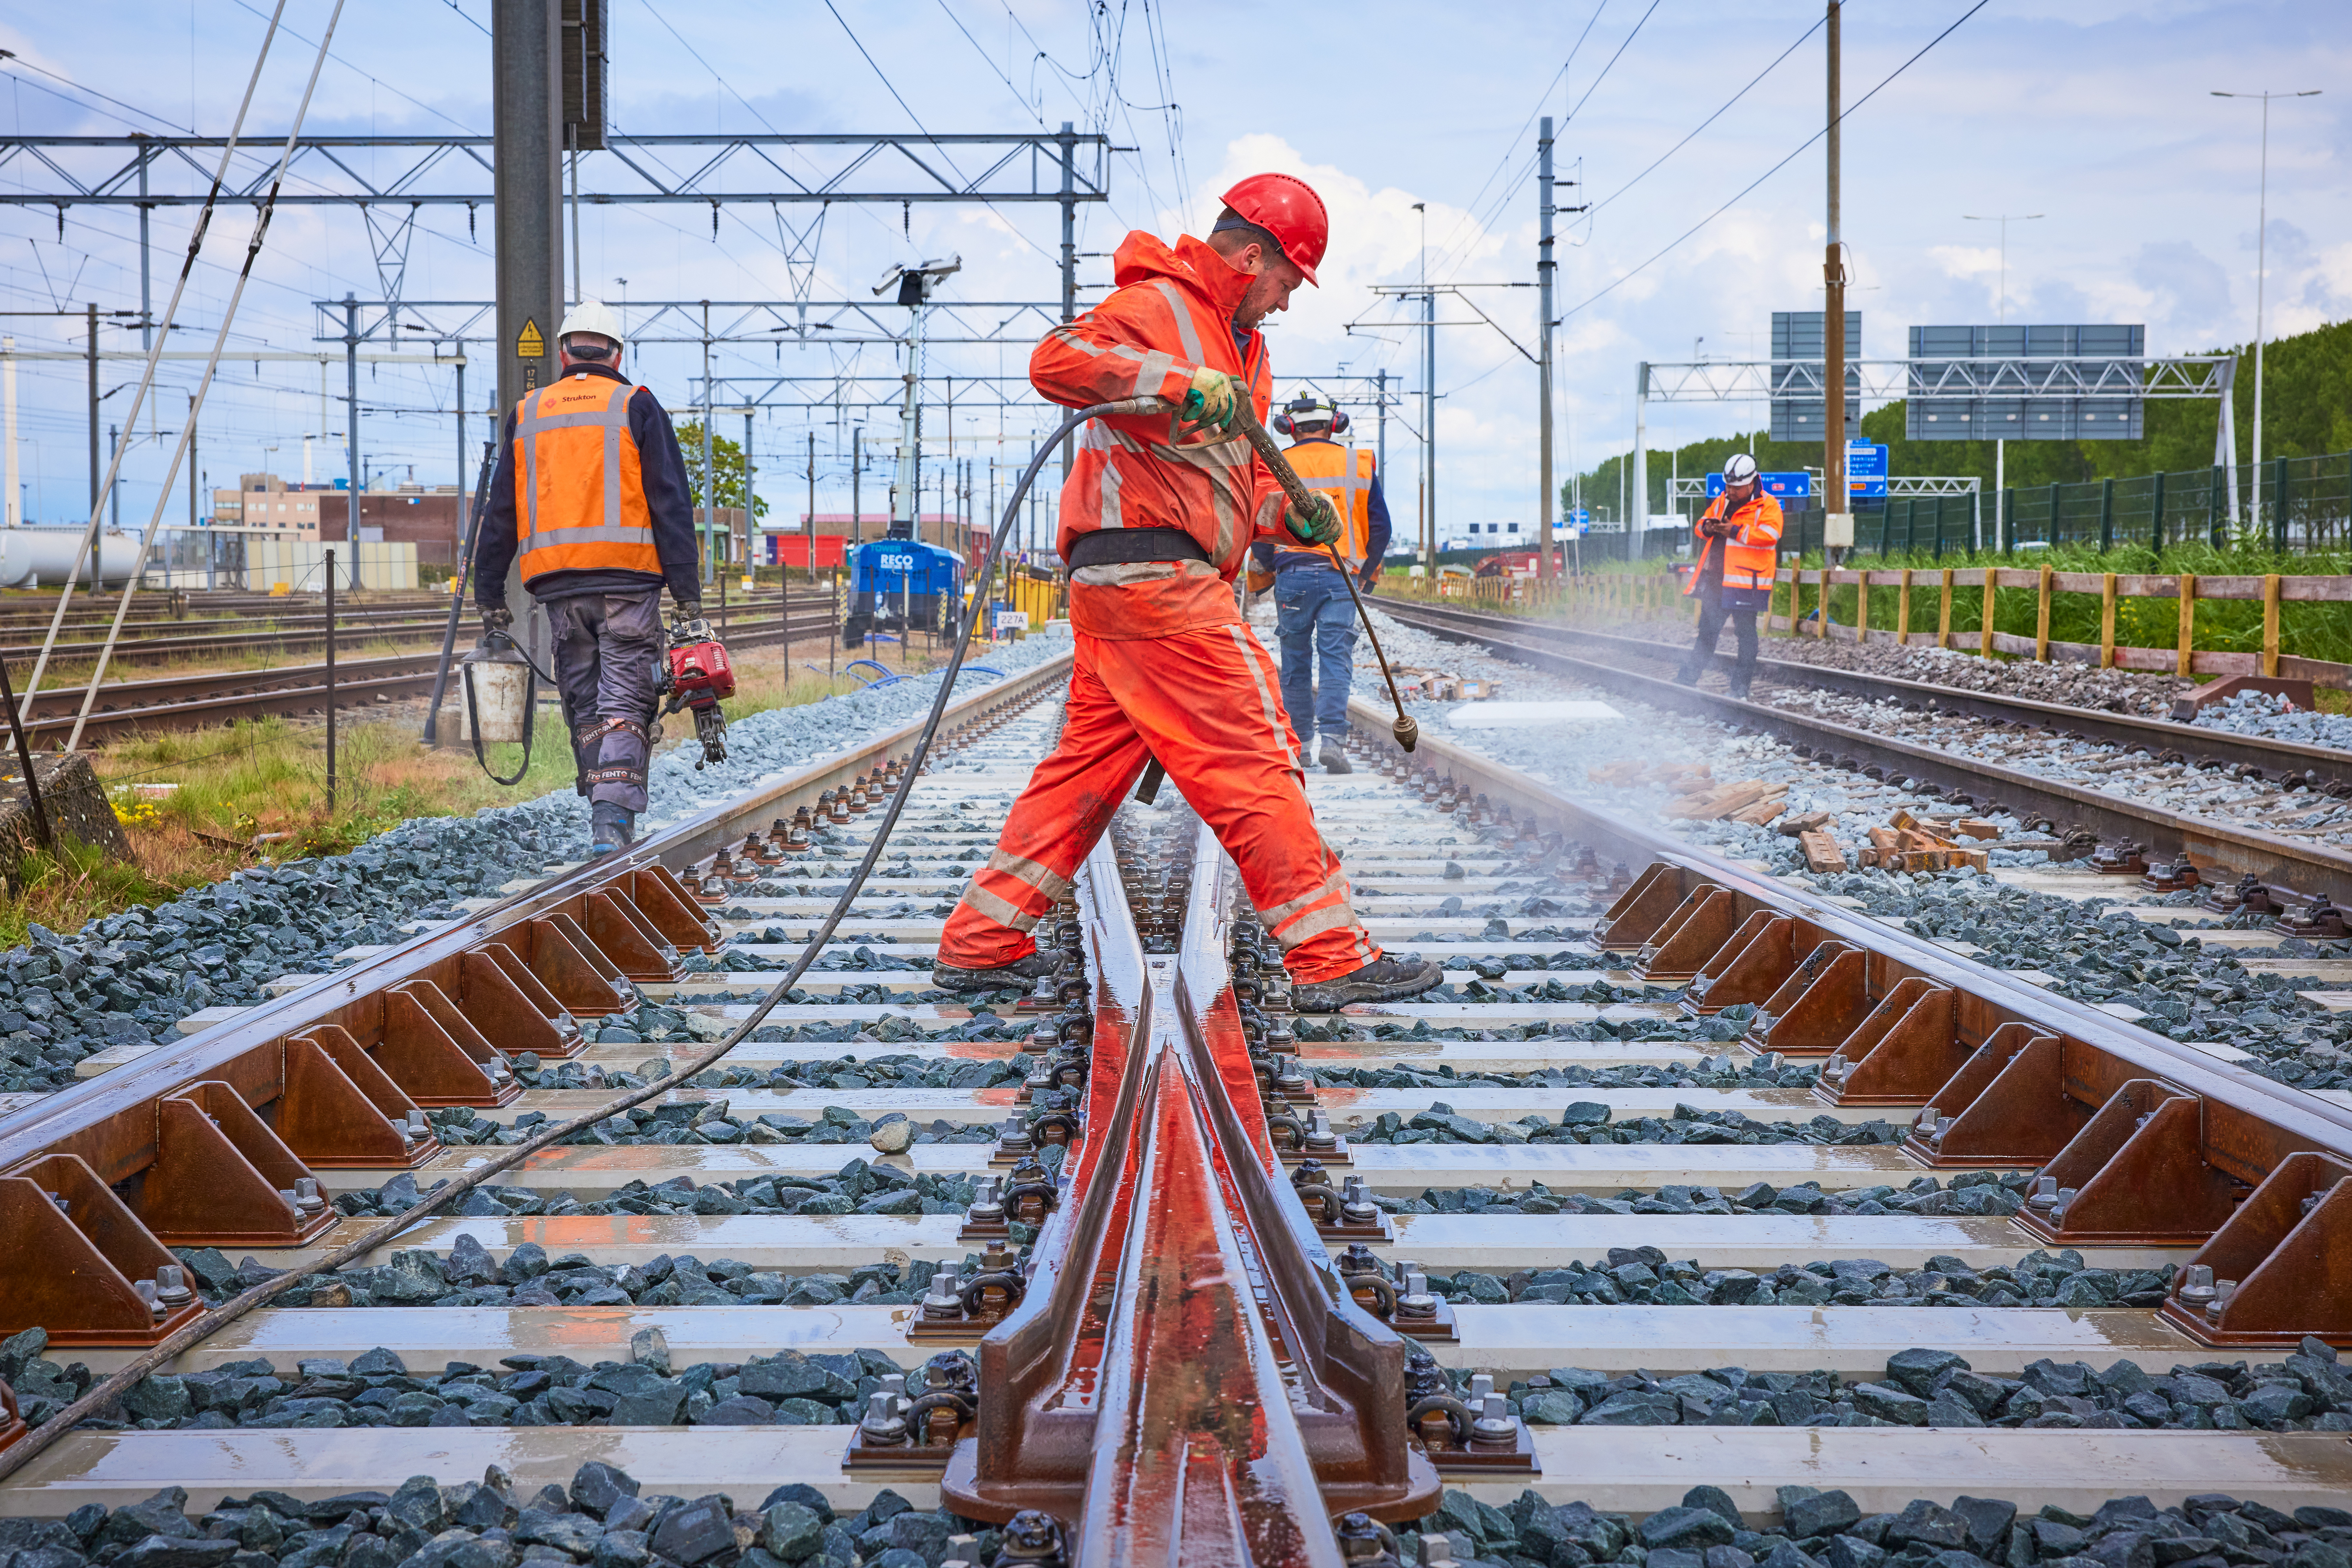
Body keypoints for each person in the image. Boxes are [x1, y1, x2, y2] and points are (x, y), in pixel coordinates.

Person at [930, 175, 1441, 1011]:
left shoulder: (1247, 350)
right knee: (1257, 747)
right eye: (1284, 282)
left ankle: (980, 941)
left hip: (1135, 585)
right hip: (1154, 582)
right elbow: (1054, 361)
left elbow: (1215, 485)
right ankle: (1328, 952)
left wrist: (1284, 513)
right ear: (1251, 257)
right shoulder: (1159, 306)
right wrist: (1176, 381)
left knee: (1084, 771)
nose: (1283, 303)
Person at [473, 301, 704, 854]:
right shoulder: (636, 404)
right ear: (617, 353)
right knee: (625, 694)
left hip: (558, 589)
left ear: (562, 351)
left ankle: (600, 797)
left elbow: (499, 509)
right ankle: (611, 819)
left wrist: (488, 592)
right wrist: (687, 598)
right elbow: (670, 504)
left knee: (583, 697)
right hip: (627, 583)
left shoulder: (528, 412)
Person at [1247, 396, 1391, 774]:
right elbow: (1381, 528)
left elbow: (1257, 523)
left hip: (1292, 573)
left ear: (1289, 428)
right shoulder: (1357, 463)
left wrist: (1273, 564)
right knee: (1335, 660)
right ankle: (1333, 743)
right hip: (1341, 577)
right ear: (1335, 425)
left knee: (1294, 663)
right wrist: (1364, 572)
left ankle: (1301, 748)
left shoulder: (1274, 462)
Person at [1675, 451, 1783, 700]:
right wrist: (1708, 527)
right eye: (1728, 486)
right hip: (1717, 581)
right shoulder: (1722, 501)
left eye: (1736, 488)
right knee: (1707, 632)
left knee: (1746, 636)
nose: (1731, 492)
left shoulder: (1768, 506)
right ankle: (1686, 680)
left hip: (1747, 583)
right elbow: (1700, 525)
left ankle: (1740, 688)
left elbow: (1770, 536)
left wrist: (1734, 531)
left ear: (1751, 482)